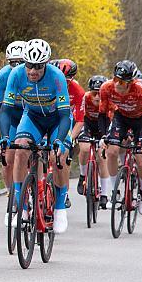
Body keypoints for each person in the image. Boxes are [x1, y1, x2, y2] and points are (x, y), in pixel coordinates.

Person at [0, 39, 72, 233]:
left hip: (57, 119)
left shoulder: (57, 77)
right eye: (29, 65)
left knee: (59, 156)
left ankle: (59, 209)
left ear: (46, 64)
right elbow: (5, 110)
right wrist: (5, 136)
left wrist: (59, 140)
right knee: (20, 150)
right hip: (32, 117)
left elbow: (65, 114)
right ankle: (21, 208)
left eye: (38, 67)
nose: (33, 71)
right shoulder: (16, 74)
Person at [98, 60, 142, 215]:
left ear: (131, 82)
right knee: (111, 151)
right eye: (116, 79)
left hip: (141, 120)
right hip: (121, 118)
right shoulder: (106, 88)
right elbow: (103, 114)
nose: (119, 84)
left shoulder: (140, 90)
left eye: (123, 82)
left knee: (139, 157)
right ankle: (115, 192)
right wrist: (104, 135)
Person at [0, 40, 26, 225]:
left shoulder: (33, 75)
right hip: (10, 117)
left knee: (33, 152)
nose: (17, 67)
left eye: (21, 62)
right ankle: (12, 196)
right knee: (8, 158)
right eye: (13, 63)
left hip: (32, 116)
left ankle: (38, 189)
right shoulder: (3, 76)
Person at [53, 59, 84, 209]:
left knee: (63, 157)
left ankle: (63, 194)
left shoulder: (77, 91)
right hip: (49, 121)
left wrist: (71, 138)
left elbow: (80, 120)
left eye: (66, 80)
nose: (62, 83)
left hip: (68, 124)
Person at [76, 75, 111, 209]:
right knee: (84, 148)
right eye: (94, 93)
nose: (97, 97)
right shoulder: (84, 98)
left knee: (102, 157)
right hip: (88, 124)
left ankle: (104, 194)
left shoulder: (109, 101)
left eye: (100, 94)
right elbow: (78, 116)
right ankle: (82, 175)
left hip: (104, 126)